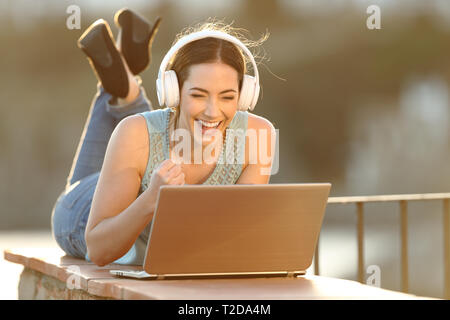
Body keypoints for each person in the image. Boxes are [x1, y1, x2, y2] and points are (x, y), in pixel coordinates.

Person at [51, 9, 276, 267]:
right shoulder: (133, 134)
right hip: (80, 212)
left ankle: (126, 90)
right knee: (133, 138)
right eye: (199, 95)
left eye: (227, 97)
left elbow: (237, 231)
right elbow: (99, 249)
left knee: (150, 132)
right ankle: (126, 92)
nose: (213, 111)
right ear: (174, 92)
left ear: (245, 95)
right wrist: (150, 200)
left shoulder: (258, 135)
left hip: (136, 175)